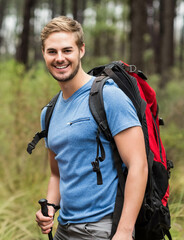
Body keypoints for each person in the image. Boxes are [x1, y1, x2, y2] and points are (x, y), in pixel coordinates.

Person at [35, 16, 148, 240]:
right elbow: (57, 173)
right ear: (44, 54)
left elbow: (139, 165)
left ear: (81, 50)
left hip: (102, 229)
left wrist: (124, 232)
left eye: (67, 50)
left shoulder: (109, 96)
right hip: (64, 229)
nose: (60, 58)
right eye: (52, 52)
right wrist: (49, 207)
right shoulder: (48, 112)